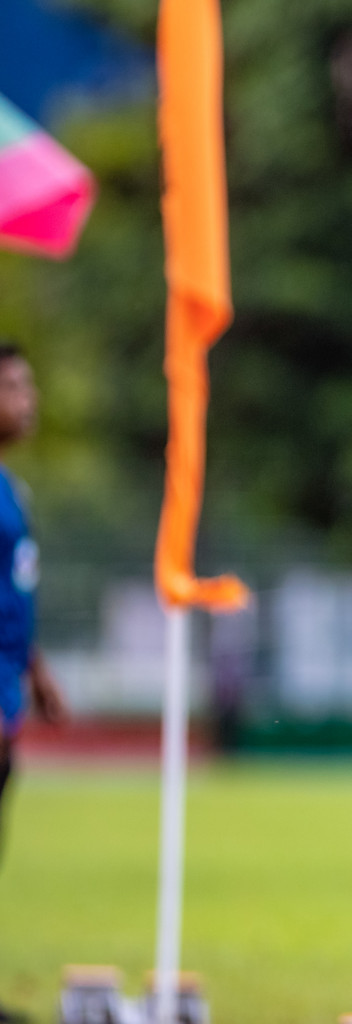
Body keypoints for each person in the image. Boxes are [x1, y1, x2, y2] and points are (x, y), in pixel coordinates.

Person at [0, 342, 68, 1024]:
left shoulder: (8, 487)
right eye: (14, 385)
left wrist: (37, 669)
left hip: (11, 687)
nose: (29, 399)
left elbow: (10, 591)